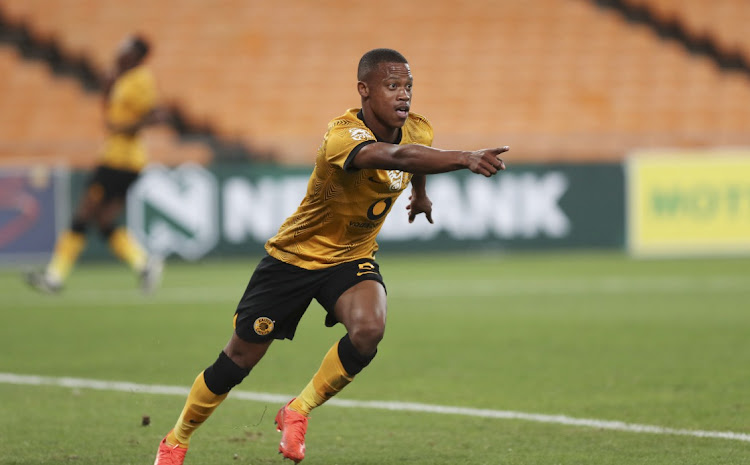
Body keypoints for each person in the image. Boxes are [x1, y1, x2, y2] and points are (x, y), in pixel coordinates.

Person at [153, 47, 508, 465]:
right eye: (392, 86)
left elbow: (414, 159)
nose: (404, 95)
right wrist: (464, 157)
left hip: (351, 257)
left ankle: (296, 411)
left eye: (408, 86)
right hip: (293, 258)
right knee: (238, 361)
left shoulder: (419, 130)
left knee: (369, 329)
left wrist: (420, 195)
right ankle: (176, 440)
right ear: (364, 90)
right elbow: (395, 156)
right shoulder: (342, 135)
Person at [25, 34, 165, 294]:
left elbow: (154, 115)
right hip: (117, 157)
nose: (119, 49)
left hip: (120, 161)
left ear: (136, 54)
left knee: (83, 214)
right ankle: (143, 264)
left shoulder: (140, 80)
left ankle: (55, 276)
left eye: (126, 48)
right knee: (103, 221)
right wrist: (107, 90)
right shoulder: (122, 78)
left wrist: (122, 126)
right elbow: (111, 116)